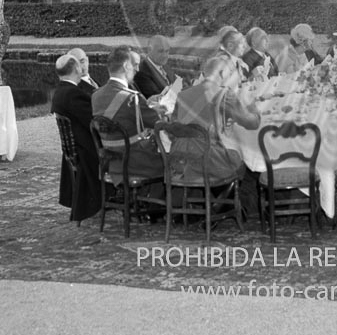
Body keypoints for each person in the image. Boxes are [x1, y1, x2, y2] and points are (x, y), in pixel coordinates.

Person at [174, 55, 262, 216]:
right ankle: (238, 208)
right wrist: (252, 106)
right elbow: (252, 123)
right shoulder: (224, 95)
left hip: (184, 160)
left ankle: (221, 203)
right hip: (212, 162)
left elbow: (174, 127)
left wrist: (218, 124)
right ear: (221, 74)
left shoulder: (183, 94)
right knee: (252, 160)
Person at [90, 46, 164, 181]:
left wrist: (147, 105)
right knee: (176, 162)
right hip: (136, 163)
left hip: (113, 163)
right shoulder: (132, 98)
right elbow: (158, 123)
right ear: (125, 66)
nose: (137, 69)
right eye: (134, 65)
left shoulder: (96, 96)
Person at [51, 53, 101, 221]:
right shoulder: (73, 94)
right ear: (76, 69)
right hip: (88, 150)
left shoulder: (60, 92)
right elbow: (95, 120)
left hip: (74, 149)